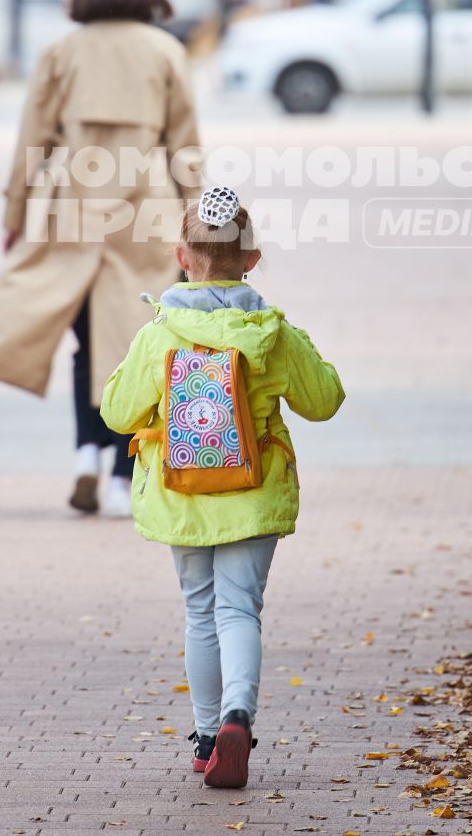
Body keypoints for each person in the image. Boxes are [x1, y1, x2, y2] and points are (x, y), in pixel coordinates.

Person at [100, 187, 345, 789]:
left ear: (183, 256)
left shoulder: (159, 335)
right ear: (253, 260)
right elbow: (325, 400)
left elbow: (117, 412)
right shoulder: (271, 334)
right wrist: (296, 342)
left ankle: (207, 736)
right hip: (254, 491)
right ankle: (240, 716)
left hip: (182, 494)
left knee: (200, 611)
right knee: (240, 609)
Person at [0, 0, 201, 518]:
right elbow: (185, 146)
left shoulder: (61, 52)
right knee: (136, 344)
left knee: (84, 343)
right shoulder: (166, 51)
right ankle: (122, 475)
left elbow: (33, 140)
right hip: (147, 211)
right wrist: (196, 225)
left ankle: (85, 454)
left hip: (73, 205)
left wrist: (15, 213)